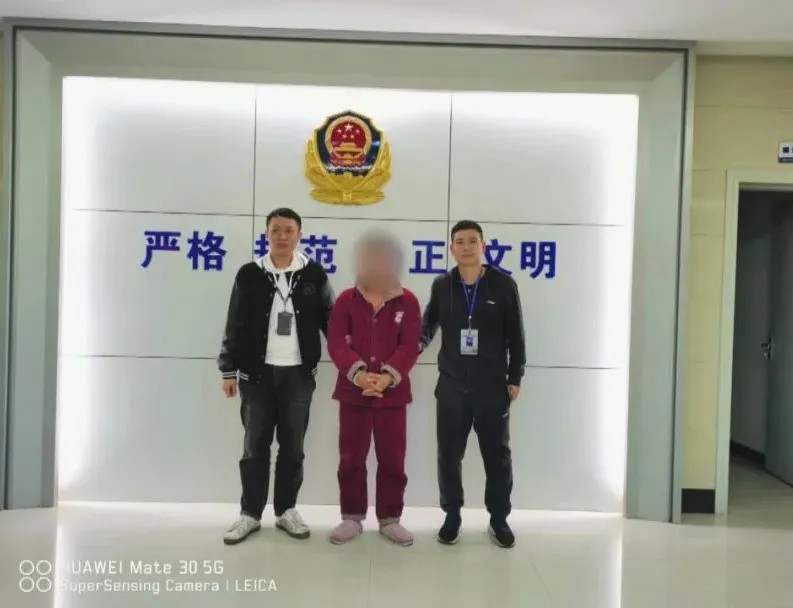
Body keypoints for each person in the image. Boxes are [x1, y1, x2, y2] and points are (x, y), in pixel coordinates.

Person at [218, 207, 334, 545]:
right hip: (256, 376)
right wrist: (228, 369)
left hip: (298, 374)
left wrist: (350, 360)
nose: (282, 236)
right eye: (276, 230)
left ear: (299, 235)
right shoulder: (250, 274)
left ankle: (286, 511)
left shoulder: (314, 274)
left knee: (292, 448)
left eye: (289, 230)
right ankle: (250, 514)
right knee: (254, 447)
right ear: (266, 234)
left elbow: (331, 321)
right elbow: (234, 322)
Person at [420, 220, 526, 548]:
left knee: (497, 457)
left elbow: (516, 335)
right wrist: (413, 347)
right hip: (451, 388)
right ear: (452, 248)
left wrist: (515, 377)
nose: (466, 247)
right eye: (460, 242)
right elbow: (428, 325)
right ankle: (452, 515)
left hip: (492, 388)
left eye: (472, 241)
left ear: (483, 246)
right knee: (449, 456)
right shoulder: (442, 285)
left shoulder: (503, 285)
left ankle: (499, 519)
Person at [326, 230, 421, 546]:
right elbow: (337, 343)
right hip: (353, 395)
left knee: (392, 459)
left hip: (392, 396)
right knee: (351, 458)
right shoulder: (345, 300)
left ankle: (390, 519)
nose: (377, 263)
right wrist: (359, 375)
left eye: (384, 257)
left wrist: (387, 377)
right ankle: (351, 517)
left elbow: (409, 345)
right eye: (370, 256)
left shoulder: (408, 301)